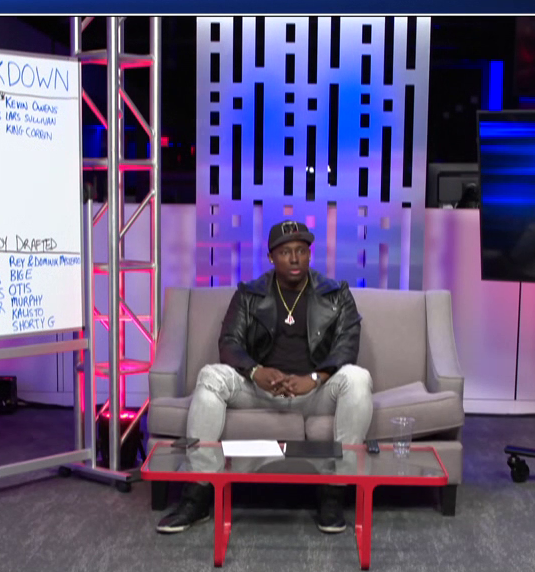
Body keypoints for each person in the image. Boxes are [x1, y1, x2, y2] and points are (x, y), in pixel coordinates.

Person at [156, 220, 374, 535]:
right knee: (210, 376)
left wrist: (314, 377)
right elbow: (229, 342)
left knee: (358, 378)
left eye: (301, 250)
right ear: (271, 257)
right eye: (285, 252)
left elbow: (347, 344)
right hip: (260, 390)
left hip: (316, 392)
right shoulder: (249, 294)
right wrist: (256, 372)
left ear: (309, 254)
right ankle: (198, 493)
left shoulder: (336, 294)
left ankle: (333, 493)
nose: (295, 258)